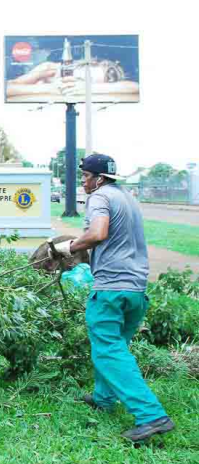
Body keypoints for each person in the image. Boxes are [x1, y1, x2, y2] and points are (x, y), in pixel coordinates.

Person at [51, 154, 174, 442]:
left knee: (108, 350)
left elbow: (97, 233)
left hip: (111, 288)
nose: (83, 181)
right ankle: (103, 398)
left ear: (99, 179)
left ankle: (151, 416)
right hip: (136, 290)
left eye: (86, 176)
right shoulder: (127, 198)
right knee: (115, 346)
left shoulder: (100, 196)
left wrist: (67, 248)